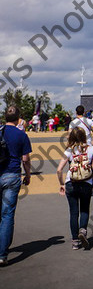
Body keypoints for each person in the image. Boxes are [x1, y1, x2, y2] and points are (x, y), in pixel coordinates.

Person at [57, 126, 93, 249]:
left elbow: (59, 170)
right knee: (84, 209)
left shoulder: (69, 150)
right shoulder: (91, 149)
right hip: (86, 183)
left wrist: (61, 184)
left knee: (73, 212)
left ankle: (75, 241)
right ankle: (83, 231)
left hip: (71, 183)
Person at [0, 106, 32, 265]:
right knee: (7, 215)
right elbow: (25, 159)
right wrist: (27, 175)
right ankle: (2, 255)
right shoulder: (21, 135)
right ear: (18, 119)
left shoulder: (0, 131)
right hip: (12, 175)